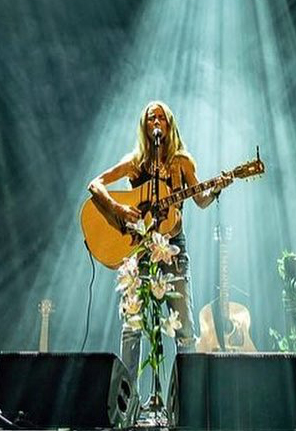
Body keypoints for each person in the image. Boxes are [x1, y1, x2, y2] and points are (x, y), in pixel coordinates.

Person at [87, 101, 229, 384]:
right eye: (151, 118)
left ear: (169, 125)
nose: (156, 122)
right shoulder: (134, 162)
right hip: (139, 252)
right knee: (132, 327)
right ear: (144, 126)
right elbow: (95, 184)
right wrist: (119, 209)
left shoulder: (182, 162)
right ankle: (128, 404)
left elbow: (199, 200)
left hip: (174, 250)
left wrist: (215, 189)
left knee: (185, 329)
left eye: (160, 118)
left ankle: (186, 401)